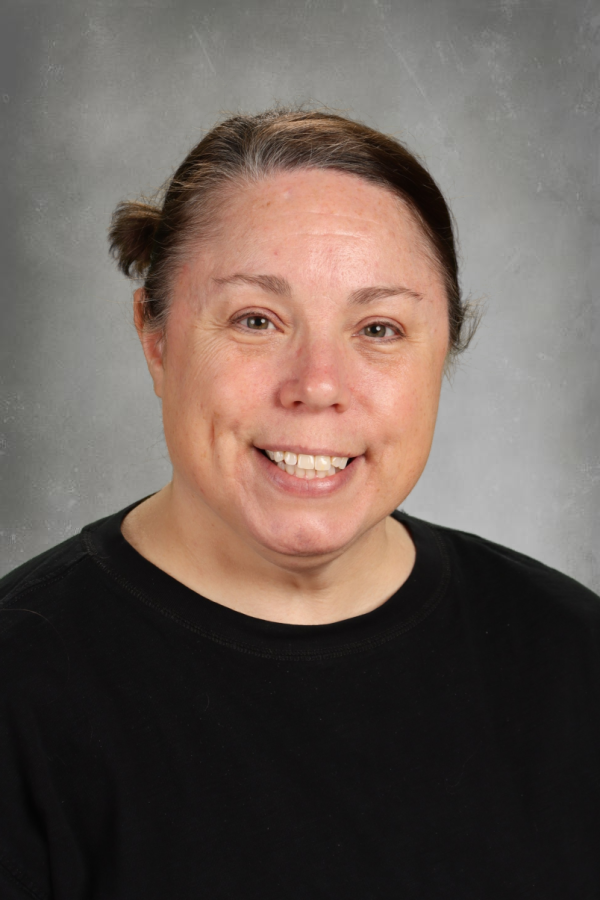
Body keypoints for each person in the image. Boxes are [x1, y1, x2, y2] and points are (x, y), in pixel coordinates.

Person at [0, 108, 598, 899]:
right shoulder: (22, 692)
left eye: (379, 328)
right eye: (256, 319)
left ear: (442, 350)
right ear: (155, 336)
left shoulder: (573, 662)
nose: (317, 384)